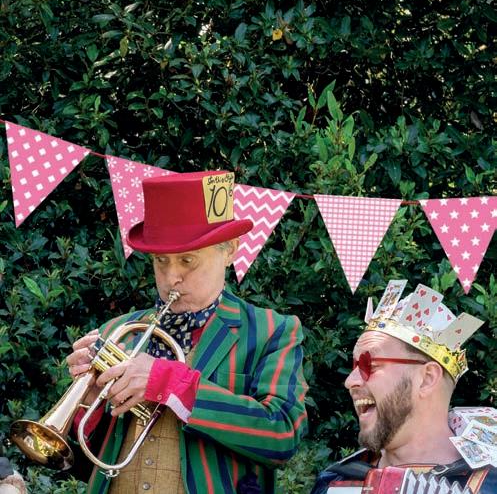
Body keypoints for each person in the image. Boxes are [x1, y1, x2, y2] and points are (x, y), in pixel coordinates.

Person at [66, 171, 308, 494]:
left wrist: (173, 384)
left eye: (187, 260)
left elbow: (283, 436)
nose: (172, 277)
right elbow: (85, 464)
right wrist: (89, 405)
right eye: (160, 261)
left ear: (230, 250)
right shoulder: (117, 331)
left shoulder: (272, 331)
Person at [311, 280, 497, 494]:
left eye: (369, 365)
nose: (350, 381)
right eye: (355, 365)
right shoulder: (334, 483)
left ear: (427, 378)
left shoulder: (489, 484)